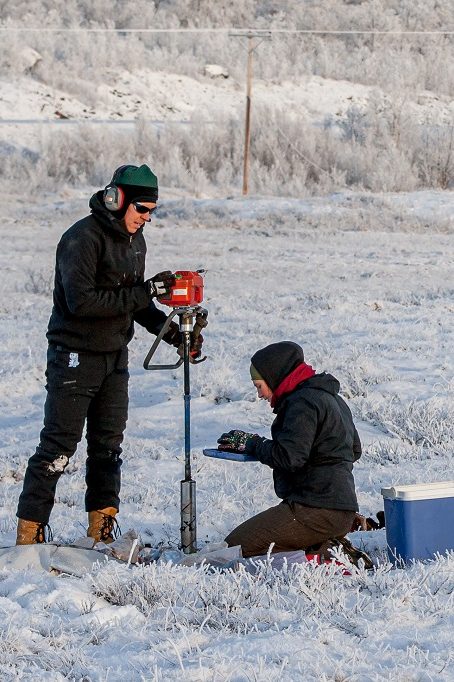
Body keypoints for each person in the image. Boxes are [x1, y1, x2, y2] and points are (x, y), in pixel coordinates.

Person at [16, 163, 204, 545]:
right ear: (117, 200)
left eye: (152, 210)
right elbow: (81, 302)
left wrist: (174, 334)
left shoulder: (137, 242)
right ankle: (29, 534)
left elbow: (134, 303)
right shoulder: (81, 239)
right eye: (141, 209)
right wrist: (146, 291)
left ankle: (100, 531)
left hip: (115, 358)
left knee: (107, 448)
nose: (147, 217)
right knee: (58, 448)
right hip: (74, 356)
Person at [217, 341, 362, 560]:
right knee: (253, 547)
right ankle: (323, 549)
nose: (259, 395)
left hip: (314, 509)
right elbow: (354, 450)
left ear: (275, 377)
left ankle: (325, 555)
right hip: (342, 510)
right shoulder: (333, 398)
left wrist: (253, 444)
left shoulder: (302, 402)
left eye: (259, 385)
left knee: (231, 550)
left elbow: (289, 457)